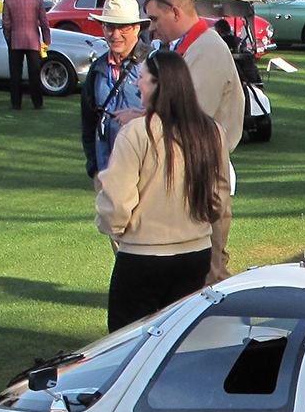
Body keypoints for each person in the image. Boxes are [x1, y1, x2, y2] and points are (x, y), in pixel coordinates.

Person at [95, 52, 228, 329]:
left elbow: (117, 201)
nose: (136, 85)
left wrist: (116, 228)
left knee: (129, 342)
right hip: (195, 254)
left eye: (141, 79)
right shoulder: (211, 132)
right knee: (179, 340)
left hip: (143, 256)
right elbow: (219, 196)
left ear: (158, 85)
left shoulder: (136, 133)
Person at [144, 0, 244, 281]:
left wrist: (142, 119)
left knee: (210, 271)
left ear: (174, 12)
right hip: (193, 169)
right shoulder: (191, 48)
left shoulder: (207, 49)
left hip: (204, 171)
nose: (151, 28)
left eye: (154, 19)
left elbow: (189, 116)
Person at [80, 0, 150, 178]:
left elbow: (172, 118)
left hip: (147, 175)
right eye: (110, 27)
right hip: (107, 174)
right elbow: (89, 123)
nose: (115, 34)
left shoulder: (155, 64)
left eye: (123, 28)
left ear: (136, 28)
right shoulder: (97, 69)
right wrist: (94, 169)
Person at [1, 0, 51, 110]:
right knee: (34, 73)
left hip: (15, 39)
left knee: (15, 74)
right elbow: (43, 21)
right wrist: (47, 40)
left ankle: (16, 103)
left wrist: (8, 38)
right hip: (32, 39)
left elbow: (6, 22)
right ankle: (38, 102)